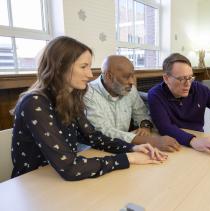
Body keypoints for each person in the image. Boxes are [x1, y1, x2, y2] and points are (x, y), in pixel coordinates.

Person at [11, 36, 167, 181]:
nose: (90, 74)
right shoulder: (34, 103)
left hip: (56, 178)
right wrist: (128, 158)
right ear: (60, 67)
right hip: (33, 183)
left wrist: (133, 147)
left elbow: (94, 137)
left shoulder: (71, 98)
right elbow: (69, 167)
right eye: (84, 66)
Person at [84, 55, 180, 152]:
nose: (132, 82)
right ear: (109, 76)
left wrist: (145, 125)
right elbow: (103, 131)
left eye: (132, 75)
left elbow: (141, 112)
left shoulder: (130, 89)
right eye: (126, 77)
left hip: (125, 147)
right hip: (94, 151)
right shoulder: (88, 94)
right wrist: (150, 141)